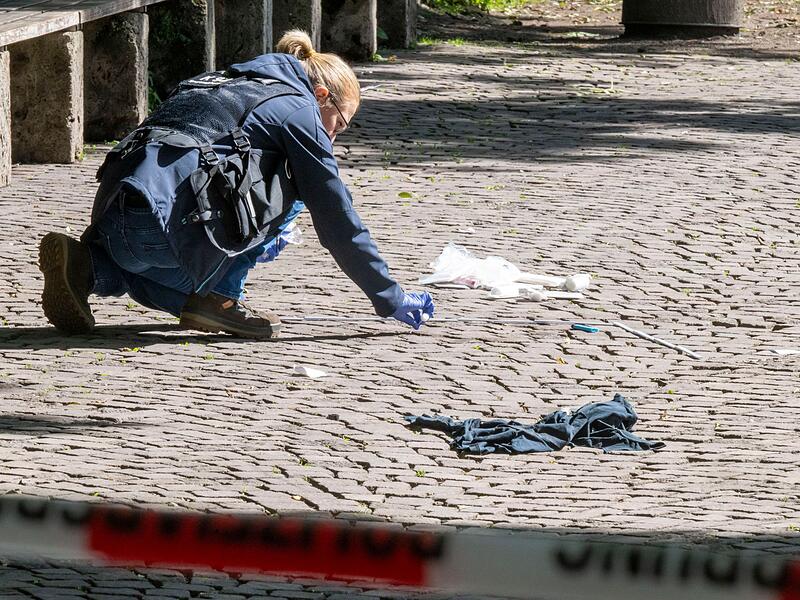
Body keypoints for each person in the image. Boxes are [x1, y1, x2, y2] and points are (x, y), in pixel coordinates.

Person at [37, 30, 434, 339]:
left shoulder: (218, 79)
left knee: (184, 296)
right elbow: (336, 216)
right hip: (161, 228)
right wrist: (389, 296)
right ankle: (223, 297)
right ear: (321, 95)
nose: (331, 139)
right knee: (300, 185)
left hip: (114, 214)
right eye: (338, 126)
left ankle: (88, 267)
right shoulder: (300, 109)